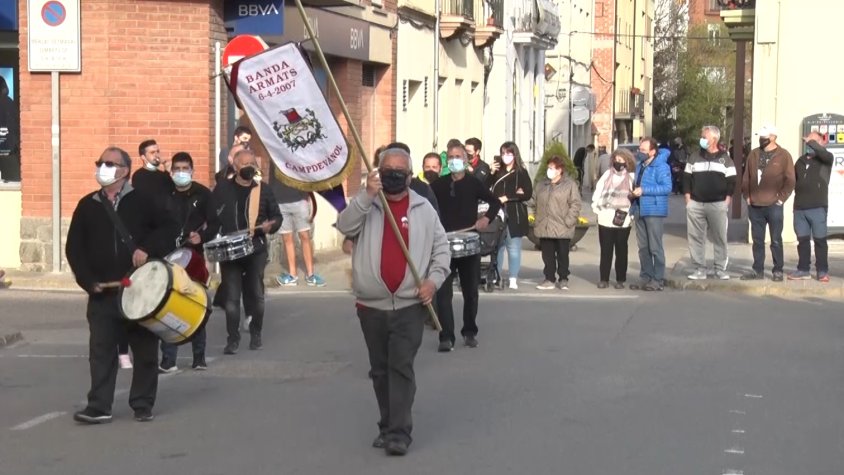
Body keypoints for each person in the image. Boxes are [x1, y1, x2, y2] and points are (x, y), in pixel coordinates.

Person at [337, 147, 449, 456]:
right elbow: (345, 228)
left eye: (400, 171)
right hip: (371, 305)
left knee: (400, 366)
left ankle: (400, 432)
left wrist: (432, 280)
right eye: (388, 171)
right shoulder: (366, 205)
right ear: (378, 173)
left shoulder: (424, 209)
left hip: (410, 304)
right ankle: (387, 425)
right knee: (380, 370)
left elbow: (442, 251)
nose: (394, 175)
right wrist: (366, 197)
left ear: (411, 177)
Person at [65, 146, 176, 424]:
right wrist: (88, 281)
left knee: (145, 351)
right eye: (100, 162)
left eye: (110, 163)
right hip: (104, 292)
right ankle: (99, 406)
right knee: (101, 351)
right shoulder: (87, 205)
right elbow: (74, 249)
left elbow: (168, 230)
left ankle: (142, 404)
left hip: (139, 291)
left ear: (125, 171)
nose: (103, 167)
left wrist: (146, 249)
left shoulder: (142, 200)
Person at [204, 148, 282, 354]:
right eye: (245, 164)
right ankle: (233, 339)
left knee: (256, 294)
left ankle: (256, 333)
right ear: (235, 167)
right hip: (230, 251)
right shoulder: (222, 190)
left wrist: (270, 225)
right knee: (231, 297)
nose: (249, 168)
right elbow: (211, 216)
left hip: (255, 248)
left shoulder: (263, 190)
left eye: (252, 164)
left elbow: (277, 217)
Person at [429, 141, 501, 352]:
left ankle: (469, 331)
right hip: (444, 245)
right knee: (443, 293)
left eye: (458, 157)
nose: (453, 161)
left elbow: (495, 202)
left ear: (466, 159)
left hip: (469, 245)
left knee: (471, 292)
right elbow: (424, 204)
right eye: (450, 157)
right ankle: (446, 336)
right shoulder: (438, 186)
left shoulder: (473, 183)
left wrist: (486, 219)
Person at [158, 152, 211, 373]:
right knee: (169, 306)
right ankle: (169, 360)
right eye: (177, 169)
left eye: (185, 168)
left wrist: (203, 237)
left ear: (192, 169)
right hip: (169, 257)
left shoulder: (203, 193)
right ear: (171, 172)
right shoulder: (164, 196)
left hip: (194, 257)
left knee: (196, 303)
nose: (181, 172)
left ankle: (199, 357)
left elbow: (215, 222)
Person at [740, 125, 795, 282]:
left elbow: (790, 180)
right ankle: (758, 270)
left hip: (773, 206)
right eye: (760, 136)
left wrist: (780, 199)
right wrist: (747, 196)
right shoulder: (754, 154)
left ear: (773, 137)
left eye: (764, 136)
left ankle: (778, 270)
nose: (761, 139)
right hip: (755, 205)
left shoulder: (783, 155)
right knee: (757, 241)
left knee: (776, 239)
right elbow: (746, 177)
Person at [685, 126, 736, 281]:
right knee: (695, 237)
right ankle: (699, 269)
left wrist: (727, 200)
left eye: (705, 137)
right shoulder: (694, 156)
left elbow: (732, 181)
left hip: (718, 204)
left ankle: (720, 269)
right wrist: (688, 200)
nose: (702, 139)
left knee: (719, 237)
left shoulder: (725, 158)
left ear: (714, 139)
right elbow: (686, 179)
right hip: (696, 204)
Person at [487, 141, 533, 289]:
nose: (505, 156)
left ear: (515, 154)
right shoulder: (497, 171)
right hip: (497, 213)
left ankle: (513, 277)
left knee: (513, 247)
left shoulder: (521, 172)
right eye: (503, 153)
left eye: (508, 153)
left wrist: (509, 196)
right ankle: (496, 275)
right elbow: (484, 187)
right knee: (498, 247)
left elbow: (527, 193)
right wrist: (491, 172)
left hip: (515, 214)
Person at [532, 156, 582, 290]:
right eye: (548, 168)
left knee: (562, 255)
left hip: (562, 226)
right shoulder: (541, 185)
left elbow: (575, 204)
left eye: (552, 168)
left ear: (559, 170)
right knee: (547, 255)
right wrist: (536, 217)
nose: (549, 171)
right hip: (545, 225)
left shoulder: (569, 185)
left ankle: (563, 278)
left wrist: (569, 221)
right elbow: (533, 202)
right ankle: (549, 278)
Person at [789, 131, 834, 281]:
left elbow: (824, 154)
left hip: (818, 206)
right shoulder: (800, 161)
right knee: (802, 241)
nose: (809, 144)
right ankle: (803, 269)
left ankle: (822, 271)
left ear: (822, 143)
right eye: (808, 142)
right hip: (800, 208)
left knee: (820, 241)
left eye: (813, 141)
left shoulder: (826, 159)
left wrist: (811, 141)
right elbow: (793, 182)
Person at [629, 137, 672, 291]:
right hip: (639, 208)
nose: (639, 152)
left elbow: (667, 187)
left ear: (652, 152)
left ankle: (658, 278)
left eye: (643, 150)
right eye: (639, 149)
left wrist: (644, 191)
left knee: (655, 247)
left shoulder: (661, 166)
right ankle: (646, 276)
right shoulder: (640, 165)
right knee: (643, 247)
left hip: (654, 210)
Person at [272, 170, 325, 288]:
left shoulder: (297, 154)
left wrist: (308, 194)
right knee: (287, 238)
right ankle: (292, 275)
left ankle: (311, 275)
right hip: (280, 202)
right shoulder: (274, 155)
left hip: (300, 201)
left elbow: (307, 173)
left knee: (305, 236)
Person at [592, 149, 636, 289]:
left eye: (622, 160)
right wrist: (596, 209)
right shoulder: (606, 175)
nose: (619, 163)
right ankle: (604, 278)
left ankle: (620, 279)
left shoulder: (631, 177)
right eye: (616, 159)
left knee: (621, 250)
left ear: (627, 161)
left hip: (623, 217)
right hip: (606, 216)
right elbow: (598, 192)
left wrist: (631, 214)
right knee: (606, 250)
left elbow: (634, 197)